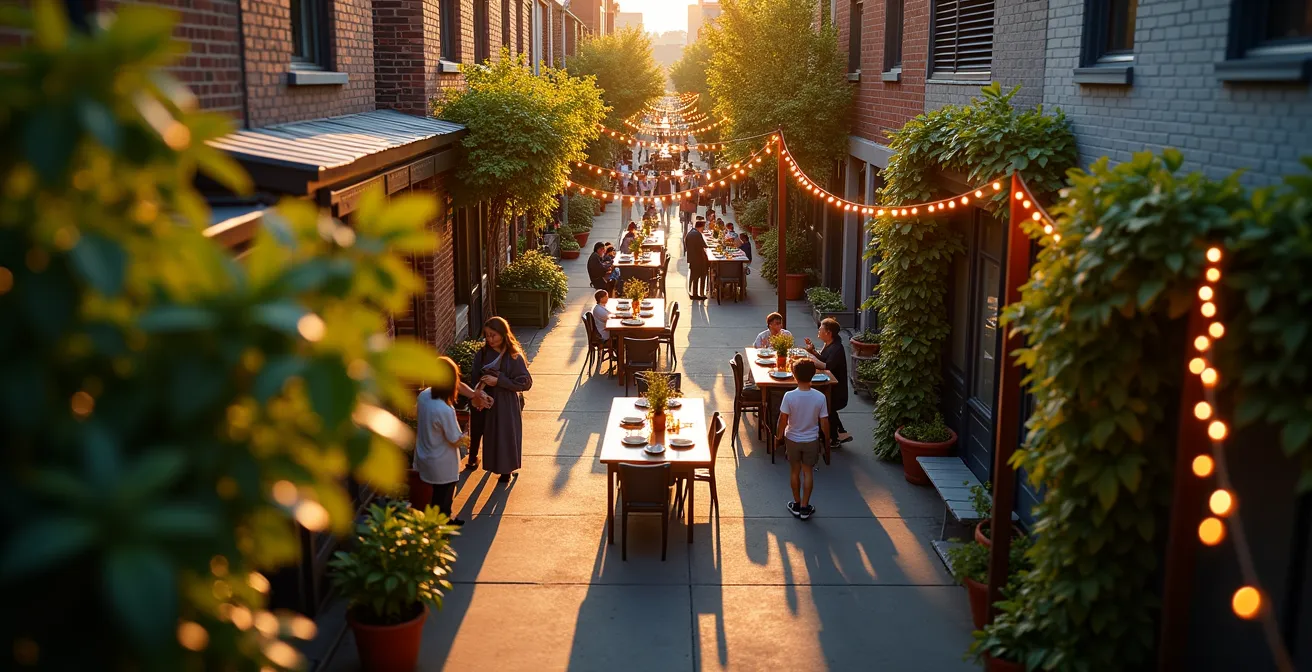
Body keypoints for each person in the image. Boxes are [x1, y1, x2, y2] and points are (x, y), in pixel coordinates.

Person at [466, 317, 533, 482]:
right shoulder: (482, 354)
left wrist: (499, 380)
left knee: (506, 436)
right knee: (491, 437)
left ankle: (506, 472)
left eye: (494, 335)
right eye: (487, 336)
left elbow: (525, 382)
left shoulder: (513, 356)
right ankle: (492, 465)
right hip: (485, 402)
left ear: (503, 334)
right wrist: (479, 390)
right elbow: (474, 377)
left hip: (506, 402)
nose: (490, 340)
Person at [415, 356, 469, 526]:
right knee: (442, 497)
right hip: (442, 461)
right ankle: (440, 528)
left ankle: (447, 517)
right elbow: (454, 439)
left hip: (425, 453)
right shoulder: (444, 409)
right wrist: (467, 433)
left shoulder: (424, 396)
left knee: (437, 495)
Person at [777, 359, 828, 521]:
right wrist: (826, 439)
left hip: (792, 438)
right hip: (811, 439)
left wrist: (778, 436)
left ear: (794, 375)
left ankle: (797, 503)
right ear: (813, 375)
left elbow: (783, 419)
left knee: (794, 471)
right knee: (808, 472)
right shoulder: (820, 397)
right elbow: (824, 422)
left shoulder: (789, 396)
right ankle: (806, 506)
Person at [804, 317, 852, 446]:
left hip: (836, 390)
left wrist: (812, 360)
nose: (818, 331)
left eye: (821, 329)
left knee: (825, 405)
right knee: (825, 405)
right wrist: (812, 351)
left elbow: (827, 365)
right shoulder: (830, 344)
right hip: (828, 386)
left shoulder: (837, 348)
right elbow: (823, 358)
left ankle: (834, 437)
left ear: (828, 333)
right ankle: (840, 432)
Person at [684, 219, 709, 300]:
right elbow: (704, 245)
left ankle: (694, 293)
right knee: (701, 275)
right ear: (701, 227)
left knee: (694, 276)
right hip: (698, 259)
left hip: (692, 258)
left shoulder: (691, 232)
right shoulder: (697, 234)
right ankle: (700, 293)